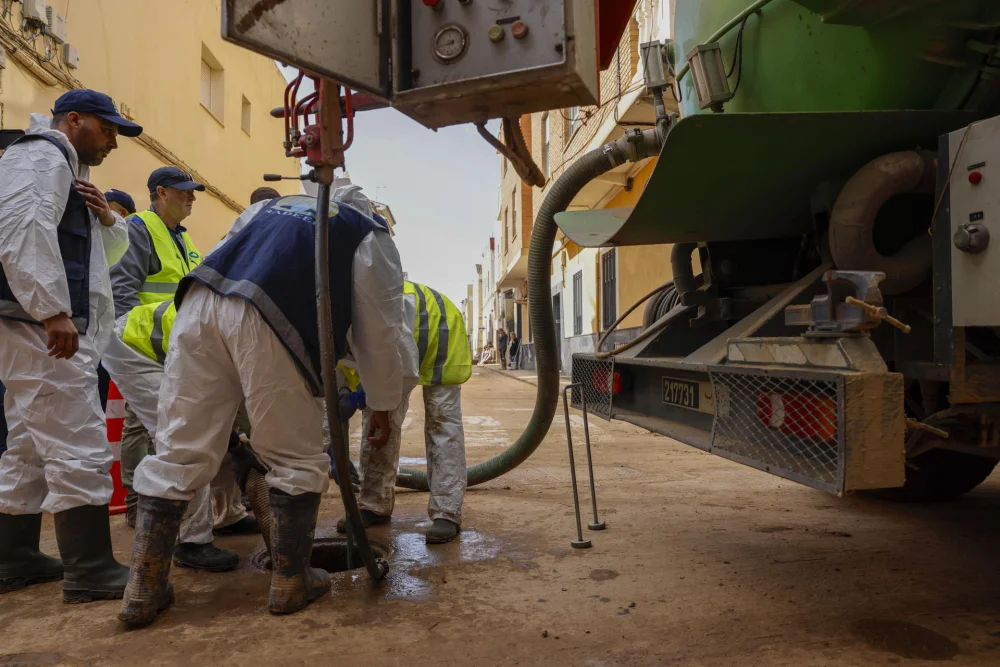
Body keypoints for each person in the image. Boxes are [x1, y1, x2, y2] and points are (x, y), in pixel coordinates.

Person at [119, 193, 405, 626]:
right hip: (272, 319)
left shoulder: (268, 208)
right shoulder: (367, 234)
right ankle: (291, 582)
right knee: (293, 457)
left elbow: (226, 251)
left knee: (178, 452)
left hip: (199, 305)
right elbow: (381, 331)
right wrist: (382, 404)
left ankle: (143, 587)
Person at [0, 89, 142, 603]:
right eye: (107, 131)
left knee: (30, 445)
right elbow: (22, 230)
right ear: (74, 120)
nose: (112, 143)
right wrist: (51, 309)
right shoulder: (40, 155)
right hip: (41, 328)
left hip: (37, 326)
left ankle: (12, 556)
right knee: (76, 439)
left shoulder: (64, 169)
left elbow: (97, 258)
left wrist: (106, 218)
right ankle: (91, 569)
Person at [103, 167, 244, 573]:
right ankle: (190, 539)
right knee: (179, 431)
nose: (193, 198)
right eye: (184, 192)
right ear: (160, 193)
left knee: (192, 426)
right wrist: (156, 345)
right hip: (138, 345)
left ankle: (220, 517)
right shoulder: (139, 229)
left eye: (194, 192)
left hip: (167, 345)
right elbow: (122, 297)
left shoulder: (183, 240)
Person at [340, 278, 471, 544]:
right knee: (373, 424)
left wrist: (382, 408)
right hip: (392, 343)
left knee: (441, 421)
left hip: (439, 328)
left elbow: (404, 372)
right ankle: (374, 504)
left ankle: (446, 512)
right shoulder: (322, 324)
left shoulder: (373, 314)